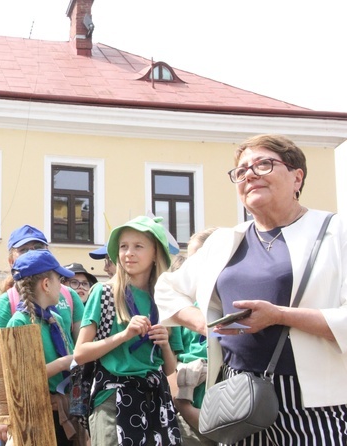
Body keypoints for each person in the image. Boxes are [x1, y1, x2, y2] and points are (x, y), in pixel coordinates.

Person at [155, 134, 347, 446]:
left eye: (264, 164)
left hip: (313, 401)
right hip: (239, 395)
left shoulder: (336, 231)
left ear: (297, 177)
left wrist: (280, 316)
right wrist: (204, 323)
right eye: (242, 171)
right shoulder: (224, 241)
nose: (250, 175)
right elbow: (167, 289)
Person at [73, 215, 183, 446]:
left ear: (156, 254)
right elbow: (80, 353)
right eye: (123, 246)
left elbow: (170, 368)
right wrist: (124, 335)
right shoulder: (103, 293)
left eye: (138, 246)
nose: (128, 253)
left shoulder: (167, 299)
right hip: (113, 398)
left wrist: (164, 344)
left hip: (156, 400)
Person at [6, 250, 82, 446]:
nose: (62, 285)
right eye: (59, 279)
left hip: (65, 411)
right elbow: (21, 379)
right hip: (38, 419)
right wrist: (63, 363)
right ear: (46, 284)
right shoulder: (19, 323)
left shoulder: (55, 318)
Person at [0, 225, 84, 341]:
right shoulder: (6, 303)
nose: (32, 253)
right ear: (11, 261)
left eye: (38, 247)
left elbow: (82, 347)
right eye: (24, 249)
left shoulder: (69, 296)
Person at [167, 228, 218, 446]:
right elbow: (171, 361)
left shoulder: (230, 298)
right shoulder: (180, 303)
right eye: (190, 259)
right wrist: (183, 406)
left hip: (225, 404)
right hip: (188, 402)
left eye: (200, 257)